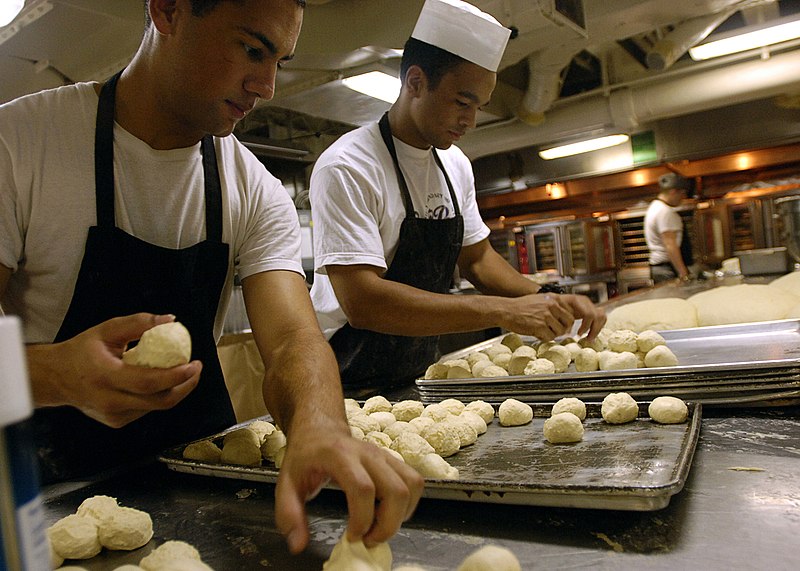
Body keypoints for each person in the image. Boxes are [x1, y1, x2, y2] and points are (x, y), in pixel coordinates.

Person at [0, 0, 422, 554]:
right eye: (252, 49)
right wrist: (55, 374)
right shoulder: (21, 143)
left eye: (280, 61)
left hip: (201, 500)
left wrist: (318, 424)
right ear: (168, 11)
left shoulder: (252, 187)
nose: (267, 85)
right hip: (46, 503)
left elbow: (295, 339)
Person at [309, 0, 606, 393]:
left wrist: (549, 298)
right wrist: (507, 311)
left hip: (415, 373)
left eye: (478, 107)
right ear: (415, 82)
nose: (470, 121)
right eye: (462, 103)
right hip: (343, 377)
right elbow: (364, 302)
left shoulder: (455, 165)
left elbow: (478, 259)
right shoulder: (348, 166)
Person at [644, 172, 695, 284]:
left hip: (660, 268)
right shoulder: (665, 212)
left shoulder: (654, 207)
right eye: (682, 194)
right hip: (667, 269)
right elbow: (670, 244)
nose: (683, 198)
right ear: (673, 192)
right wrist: (683, 273)